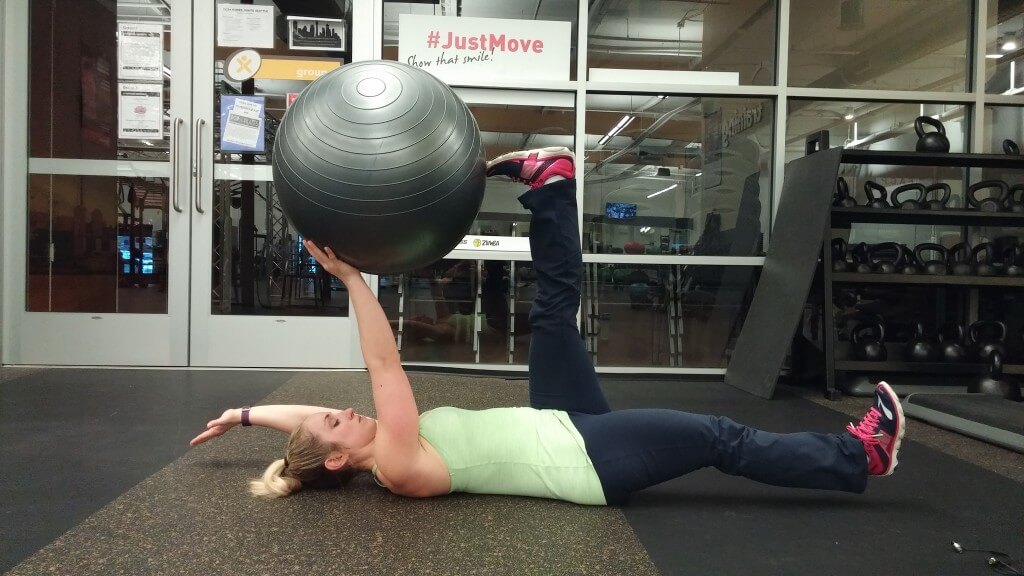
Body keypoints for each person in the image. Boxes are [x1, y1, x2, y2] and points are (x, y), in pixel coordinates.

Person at [190, 147, 905, 505]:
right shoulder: (397, 464)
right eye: (336, 422)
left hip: (558, 421)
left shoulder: (357, 447)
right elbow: (384, 366)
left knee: (553, 316)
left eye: (332, 413)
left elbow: (305, 428)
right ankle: (857, 456)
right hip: (585, 460)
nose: (341, 411)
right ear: (339, 461)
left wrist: (246, 414)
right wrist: (351, 278)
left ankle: (552, 186)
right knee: (719, 437)